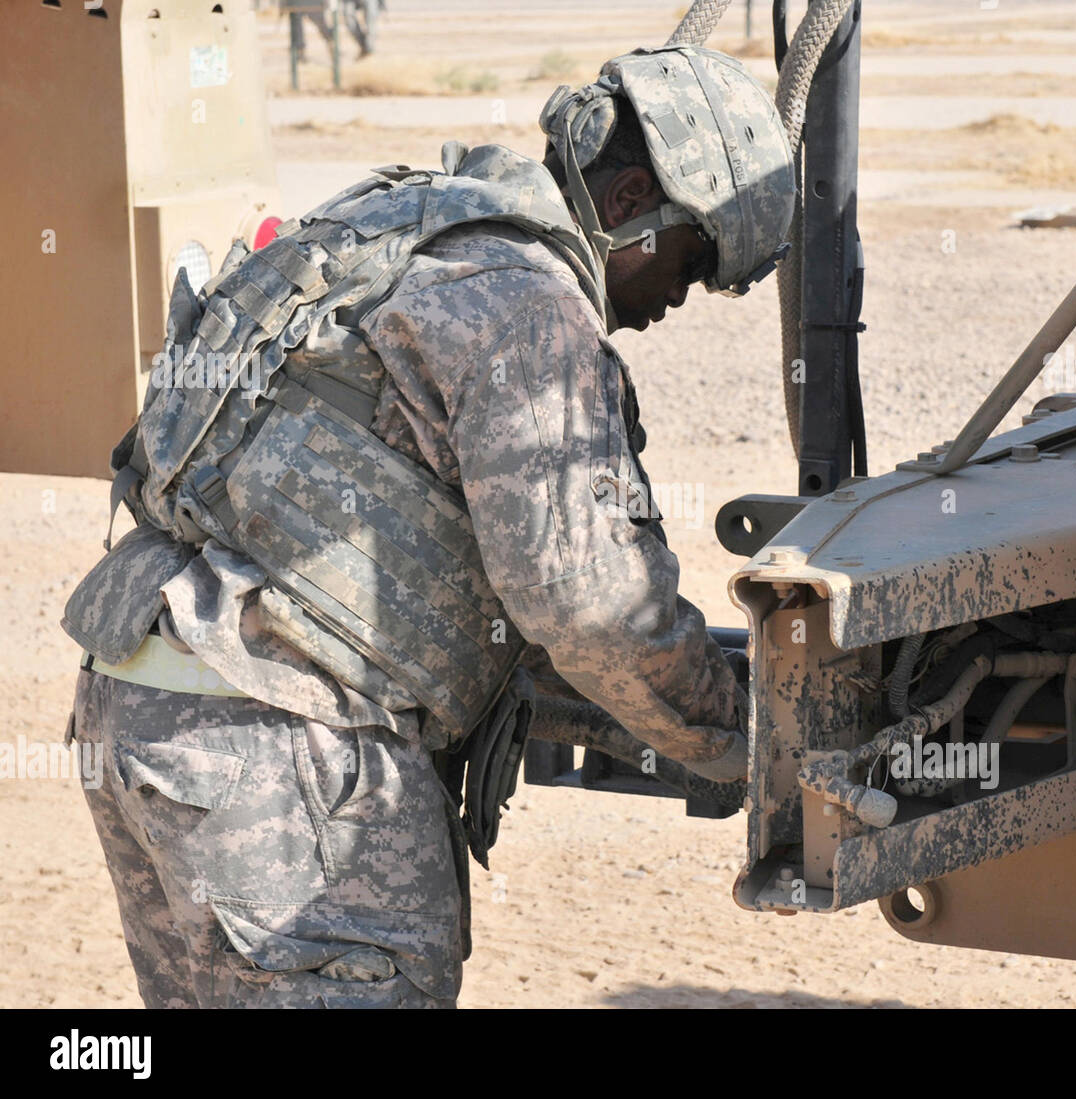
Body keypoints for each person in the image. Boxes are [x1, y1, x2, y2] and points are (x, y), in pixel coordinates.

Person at [62, 44, 795, 1008]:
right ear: (625, 206)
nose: (673, 304)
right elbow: (590, 604)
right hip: (287, 754)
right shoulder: (528, 306)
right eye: (692, 263)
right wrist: (746, 728)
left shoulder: (406, 225)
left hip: (148, 710)